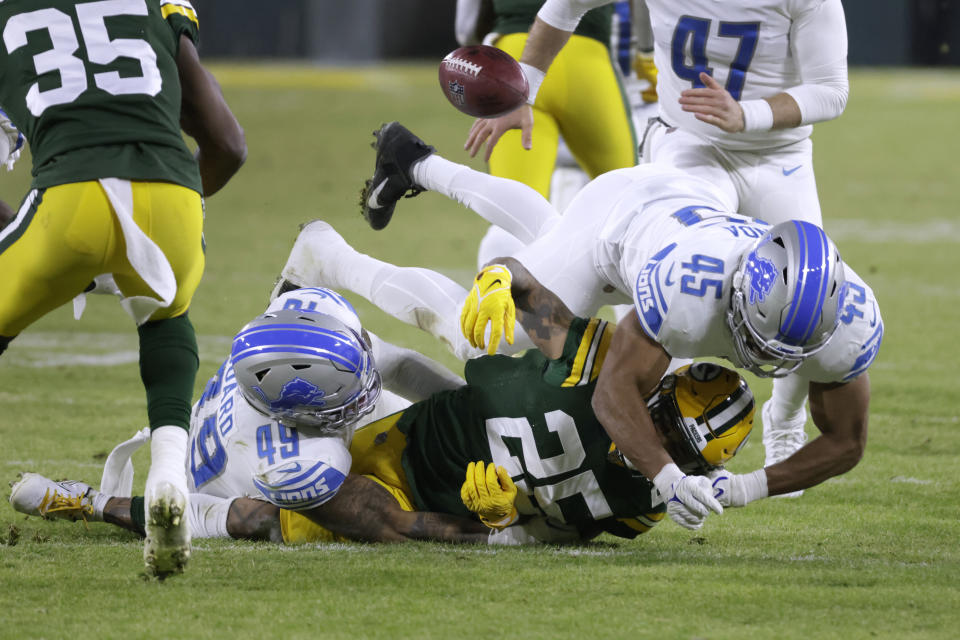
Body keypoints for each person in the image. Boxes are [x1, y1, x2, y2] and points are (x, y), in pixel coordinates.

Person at [308, 122, 880, 529]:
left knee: (552, 231)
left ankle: (415, 160)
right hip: (620, 228)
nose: (763, 359)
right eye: (759, 340)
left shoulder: (851, 320)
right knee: (488, 337)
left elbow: (847, 440)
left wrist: (751, 487)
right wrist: (666, 478)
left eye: (789, 350)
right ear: (741, 296)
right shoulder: (688, 295)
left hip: (683, 212)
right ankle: (337, 252)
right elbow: (615, 391)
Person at [10, 264, 756, 543]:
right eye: (662, 423)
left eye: (678, 447)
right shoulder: (597, 360)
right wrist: (500, 276)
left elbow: (563, 534)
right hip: (376, 441)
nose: (657, 443)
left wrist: (505, 522)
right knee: (276, 505)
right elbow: (389, 523)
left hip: (420, 477)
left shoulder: (649, 506)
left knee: (261, 517)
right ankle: (96, 502)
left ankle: (90, 502)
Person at [469, 0, 851, 477]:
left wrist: (747, 114)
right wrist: (523, 91)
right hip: (688, 146)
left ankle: (785, 419)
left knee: (809, 303)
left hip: (779, 156)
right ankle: (650, 427)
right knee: (665, 285)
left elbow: (831, 91)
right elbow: (564, 7)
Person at [0, 0, 246, 577]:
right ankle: (167, 473)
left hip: (68, 197)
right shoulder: (153, 3)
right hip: (173, 197)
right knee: (166, 311)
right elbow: (229, 143)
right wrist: (163, 215)